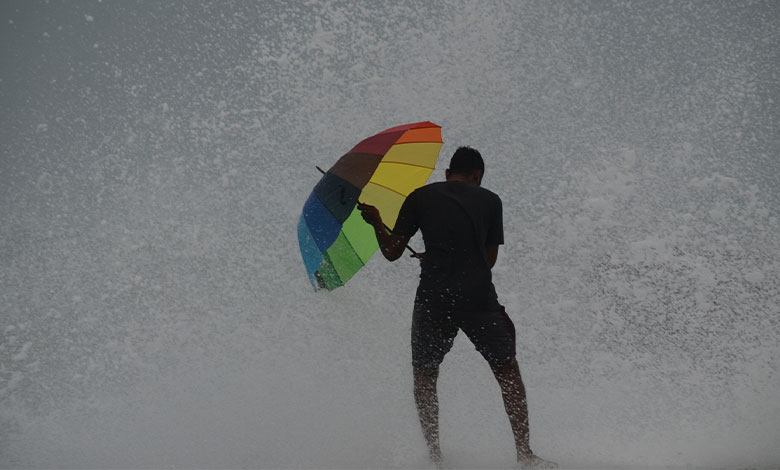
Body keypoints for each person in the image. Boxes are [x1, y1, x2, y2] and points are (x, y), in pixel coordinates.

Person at [358, 147, 556, 469]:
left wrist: (377, 222)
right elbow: (487, 260)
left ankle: (436, 457)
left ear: (448, 173)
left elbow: (392, 251)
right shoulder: (491, 201)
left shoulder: (420, 197)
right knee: (507, 371)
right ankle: (524, 453)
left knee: (425, 376)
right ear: (477, 176)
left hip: (433, 298)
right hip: (477, 298)